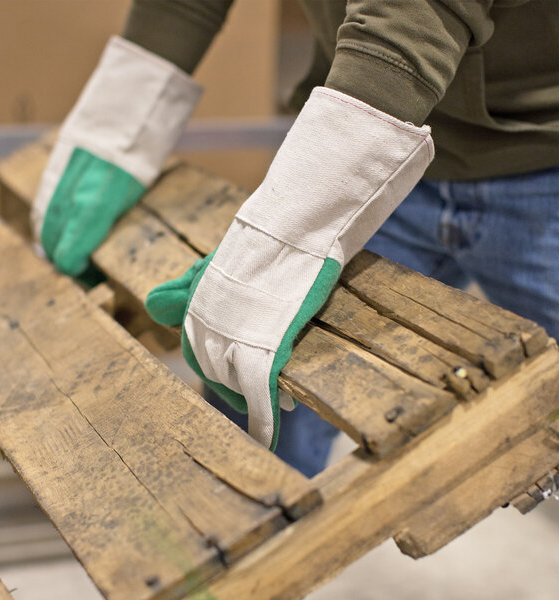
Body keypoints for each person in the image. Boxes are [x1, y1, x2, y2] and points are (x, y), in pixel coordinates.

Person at [32, 1, 559, 477]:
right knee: (258, 399)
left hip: (537, 161)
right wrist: (117, 129)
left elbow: (408, 19)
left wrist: (279, 243)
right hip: (381, 156)